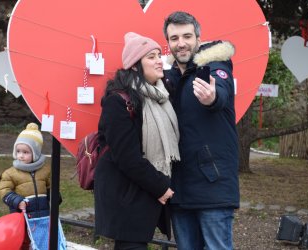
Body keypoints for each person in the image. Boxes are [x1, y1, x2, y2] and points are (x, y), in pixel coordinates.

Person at [94, 32, 180, 250]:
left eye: (159, 55)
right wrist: (161, 187)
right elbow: (126, 157)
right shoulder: (118, 101)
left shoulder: (162, 95)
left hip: (144, 191)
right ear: (134, 65)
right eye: (151, 56)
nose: (159, 60)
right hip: (126, 195)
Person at [163, 11, 240, 250]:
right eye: (174, 38)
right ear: (168, 43)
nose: (181, 43)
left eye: (187, 36)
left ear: (198, 37)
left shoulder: (215, 65)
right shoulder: (168, 77)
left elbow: (222, 91)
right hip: (179, 188)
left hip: (213, 187)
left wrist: (212, 97)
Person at [0, 123, 60, 249]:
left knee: (42, 241)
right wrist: (16, 200)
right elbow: (4, 190)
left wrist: (54, 197)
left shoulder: (44, 170)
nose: (21, 155)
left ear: (35, 153)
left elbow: (49, 187)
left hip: (43, 216)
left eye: (26, 152)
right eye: (18, 151)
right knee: (23, 242)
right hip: (22, 217)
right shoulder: (10, 173)